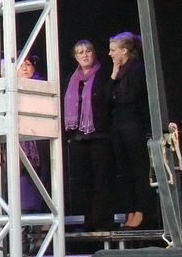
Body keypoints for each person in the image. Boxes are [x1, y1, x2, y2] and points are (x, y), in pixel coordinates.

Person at [64, 40, 115, 231]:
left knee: (102, 181)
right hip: (78, 138)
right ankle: (88, 222)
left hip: (100, 135)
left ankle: (102, 222)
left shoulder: (103, 74)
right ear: (75, 57)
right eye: (80, 53)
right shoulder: (72, 78)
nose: (84, 55)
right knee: (83, 183)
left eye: (87, 51)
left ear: (93, 53)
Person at [109, 31, 153, 229]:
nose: (110, 53)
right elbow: (107, 99)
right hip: (118, 125)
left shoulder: (137, 70)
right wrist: (113, 75)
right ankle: (130, 211)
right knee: (124, 172)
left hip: (133, 125)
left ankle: (141, 211)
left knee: (137, 170)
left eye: (113, 50)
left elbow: (132, 97)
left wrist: (118, 95)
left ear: (124, 51)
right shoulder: (117, 72)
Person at [17, 54, 51, 213]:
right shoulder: (11, 90)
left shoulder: (41, 86)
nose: (24, 68)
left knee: (42, 183)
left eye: (28, 64)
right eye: (21, 65)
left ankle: (41, 222)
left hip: (40, 143)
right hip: (18, 145)